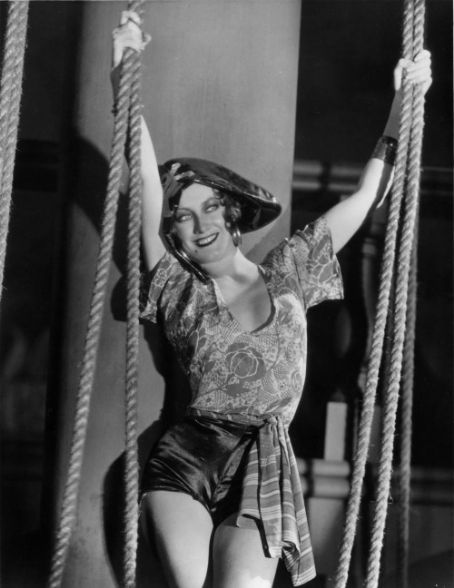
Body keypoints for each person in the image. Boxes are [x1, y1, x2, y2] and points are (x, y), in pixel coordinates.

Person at [112, 11, 432, 588]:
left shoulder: (290, 270)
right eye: (183, 215)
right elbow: (144, 182)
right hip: (189, 457)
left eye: (211, 207)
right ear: (173, 233)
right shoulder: (178, 285)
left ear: (232, 214)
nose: (200, 224)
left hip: (266, 460)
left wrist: (402, 103)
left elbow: (367, 194)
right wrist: (124, 74)